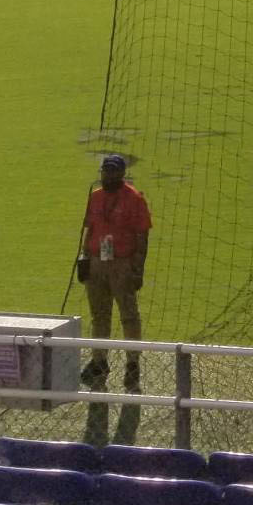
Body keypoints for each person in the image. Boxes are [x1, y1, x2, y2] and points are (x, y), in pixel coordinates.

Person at [77, 154, 150, 388]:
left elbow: (142, 236)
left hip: (122, 264)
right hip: (97, 262)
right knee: (99, 315)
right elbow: (90, 230)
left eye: (113, 171)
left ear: (121, 173)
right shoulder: (95, 197)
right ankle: (99, 361)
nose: (108, 175)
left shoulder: (135, 198)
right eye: (105, 171)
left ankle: (132, 364)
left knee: (128, 315)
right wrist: (84, 257)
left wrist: (137, 269)